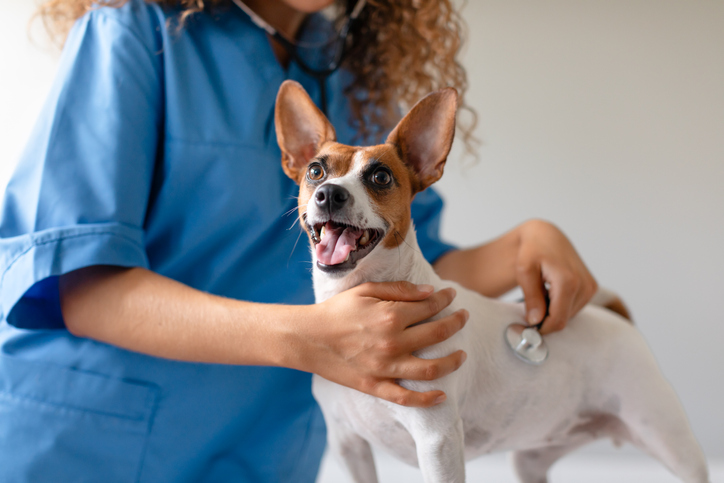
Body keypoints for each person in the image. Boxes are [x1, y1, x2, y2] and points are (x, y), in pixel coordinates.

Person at [0, 0, 597, 481]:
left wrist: (523, 244)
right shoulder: (130, 30)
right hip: (89, 449)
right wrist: (308, 338)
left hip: (268, 455)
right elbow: (78, 284)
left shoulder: (360, 75)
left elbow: (405, 268)